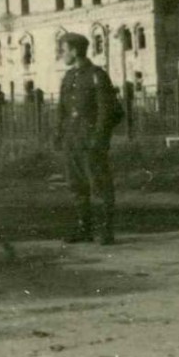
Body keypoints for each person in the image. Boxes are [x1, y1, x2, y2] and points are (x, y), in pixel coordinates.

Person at [55, 32, 119, 245]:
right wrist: (59, 133)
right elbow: (62, 110)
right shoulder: (69, 77)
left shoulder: (96, 75)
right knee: (76, 185)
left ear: (74, 51)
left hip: (90, 140)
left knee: (99, 184)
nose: (61, 54)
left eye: (63, 50)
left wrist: (99, 139)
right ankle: (85, 228)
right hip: (72, 139)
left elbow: (107, 112)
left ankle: (105, 231)